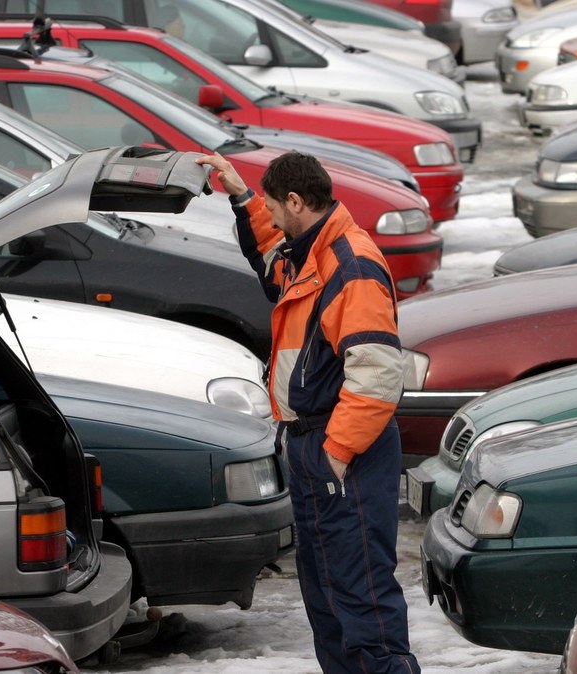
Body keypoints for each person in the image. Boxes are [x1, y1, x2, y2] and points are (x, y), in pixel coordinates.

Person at [195, 151, 419, 674]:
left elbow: (378, 376)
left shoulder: (351, 266)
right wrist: (241, 196)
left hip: (344, 454)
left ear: (296, 201)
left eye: (273, 206)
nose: (270, 217)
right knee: (329, 603)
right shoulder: (309, 252)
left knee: (362, 601)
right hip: (316, 448)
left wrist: (336, 454)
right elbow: (272, 257)